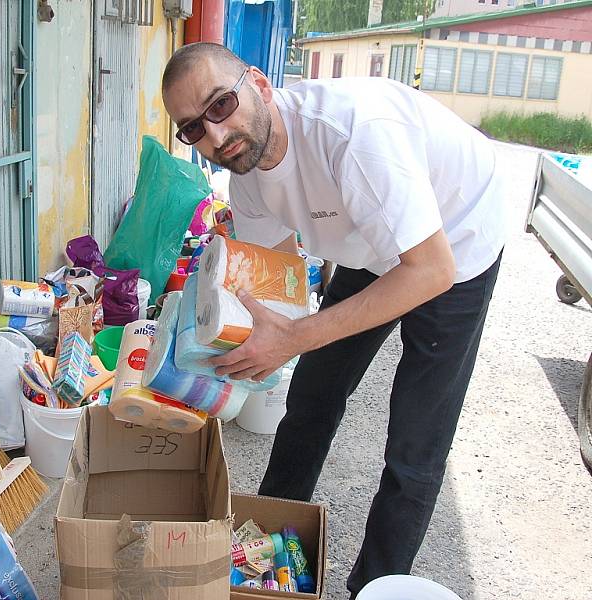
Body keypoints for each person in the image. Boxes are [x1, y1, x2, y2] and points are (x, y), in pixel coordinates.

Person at [161, 43, 505, 597]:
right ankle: (266, 555)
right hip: (371, 244)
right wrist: (207, 356)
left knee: (414, 443)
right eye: (194, 129)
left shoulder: (355, 136)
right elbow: (269, 287)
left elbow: (429, 270)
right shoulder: (245, 174)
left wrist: (294, 339)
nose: (217, 138)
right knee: (312, 398)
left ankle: (374, 586)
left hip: (455, 247)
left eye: (221, 105)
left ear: (262, 86)